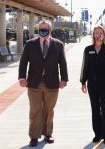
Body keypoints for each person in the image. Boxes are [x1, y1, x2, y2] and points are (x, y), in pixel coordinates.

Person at [18, 19, 68, 147]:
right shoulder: (30, 44)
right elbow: (23, 62)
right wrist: (22, 77)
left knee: (49, 110)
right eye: (41, 28)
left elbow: (62, 63)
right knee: (35, 110)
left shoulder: (58, 45)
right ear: (38, 29)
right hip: (34, 82)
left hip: (52, 82)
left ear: (50, 30)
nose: (43, 31)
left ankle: (47, 134)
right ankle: (34, 136)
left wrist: (64, 79)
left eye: (45, 29)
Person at [80, 25, 105, 145]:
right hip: (92, 84)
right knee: (95, 109)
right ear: (93, 35)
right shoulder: (88, 49)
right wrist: (83, 82)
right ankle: (98, 134)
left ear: (104, 35)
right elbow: (84, 67)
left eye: (101, 33)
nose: (99, 35)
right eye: (96, 33)